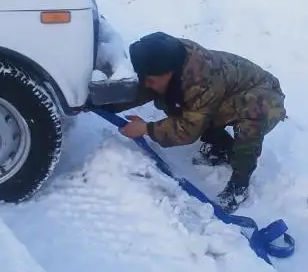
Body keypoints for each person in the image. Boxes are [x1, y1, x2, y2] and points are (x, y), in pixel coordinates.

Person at [101, 31, 287, 213]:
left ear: (169, 73)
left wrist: (147, 129)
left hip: (265, 97)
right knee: (181, 105)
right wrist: (106, 105)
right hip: (229, 93)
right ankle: (223, 148)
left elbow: (188, 129)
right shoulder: (167, 59)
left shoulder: (200, 81)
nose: (146, 83)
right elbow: (144, 88)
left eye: (150, 79)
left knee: (247, 124)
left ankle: (240, 185)